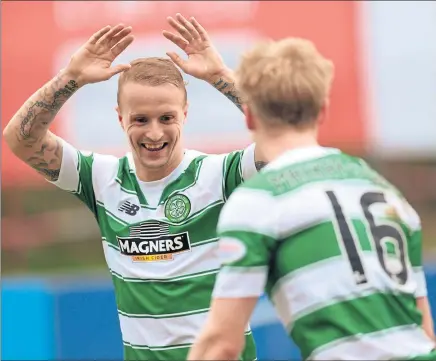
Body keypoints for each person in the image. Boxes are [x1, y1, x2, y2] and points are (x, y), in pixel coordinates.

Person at [3, 14, 260, 360]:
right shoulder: (100, 179)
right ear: (120, 118)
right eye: (140, 119)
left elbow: (283, 143)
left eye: (166, 118)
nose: (154, 133)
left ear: (185, 114)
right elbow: (21, 140)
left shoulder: (218, 173)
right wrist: (71, 79)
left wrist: (220, 76)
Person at [187, 37, 436, 361]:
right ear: (323, 111)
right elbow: (423, 331)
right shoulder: (386, 192)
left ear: (248, 117)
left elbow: (222, 344)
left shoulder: (258, 200)